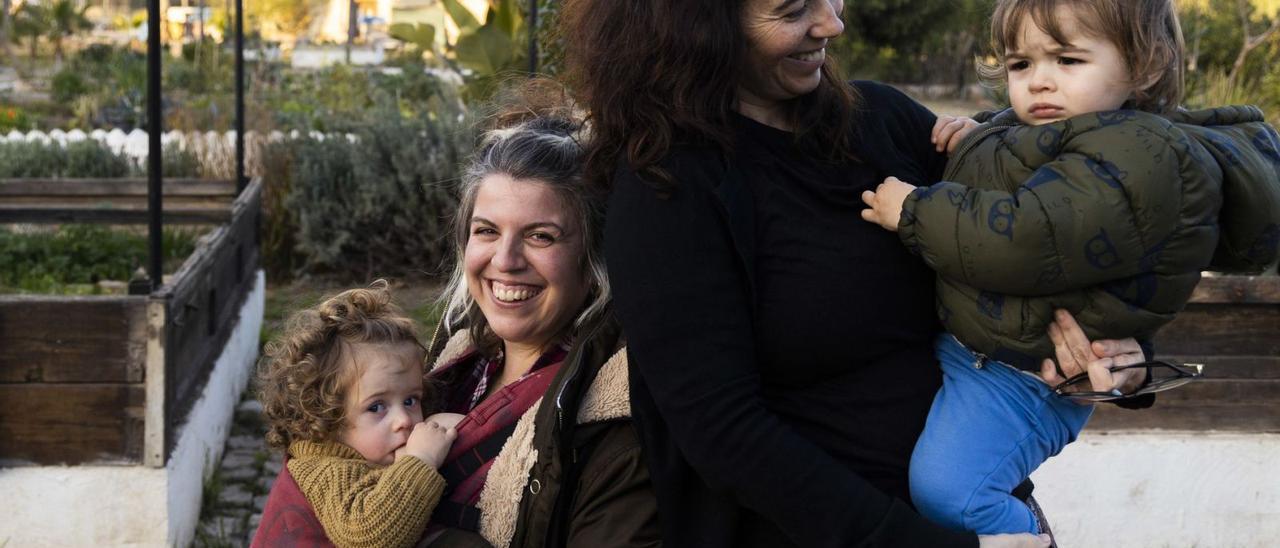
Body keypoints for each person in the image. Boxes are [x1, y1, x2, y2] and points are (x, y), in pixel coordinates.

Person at [561, 0, 1162, 546]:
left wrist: (1123, 351)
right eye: (793, 10)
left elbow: (1056, 241)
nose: (831, 24)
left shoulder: (882, 121)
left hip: (982, 514)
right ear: (696, 24)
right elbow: (722, 432)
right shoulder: (667, 188)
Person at [859, 0, 1280, 537]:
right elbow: (1026, 171)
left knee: (952, 494)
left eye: (1067, 61)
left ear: (1145, 65)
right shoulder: (1082, 132)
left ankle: (1025, 536)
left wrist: (914, 210)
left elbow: (1025, 238)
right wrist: (979, 140)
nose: (1039, 82)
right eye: (1020, 65)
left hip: (1028, 378)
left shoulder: (1138, 155)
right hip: (988, 353)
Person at [420, 109, 659, 548]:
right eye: (487, 230)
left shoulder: (618, 423)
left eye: (541, 236)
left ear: (593, 260)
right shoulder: (449, 367)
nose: (506, 261)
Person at [255, 283, 461, 548]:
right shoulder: (326, 472)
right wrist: (421, 460)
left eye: (410, 400)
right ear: (327, 418)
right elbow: (372, 536)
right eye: (376, 407)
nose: (404, 420)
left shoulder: (353, 451)